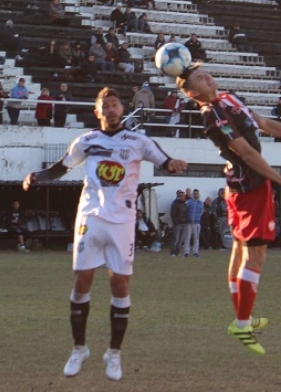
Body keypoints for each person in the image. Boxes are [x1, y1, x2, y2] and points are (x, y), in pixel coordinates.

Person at [22, 87, 187, 380]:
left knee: (120, 285)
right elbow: (62, 167)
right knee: (82, 280)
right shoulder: (86, 140)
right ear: (97, 112)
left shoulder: (138, 141)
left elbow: (165, 161)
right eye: (104, 106)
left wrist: (174, 164)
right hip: (90, 218)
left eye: (114, 104)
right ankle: (79, 349)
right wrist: (37, 176)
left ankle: (114, 353)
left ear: (122, 109)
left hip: (122, 222)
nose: (110, 110)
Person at [177, 65, 281, 354]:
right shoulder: (213, 115)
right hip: (249, 188)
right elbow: (246, 152)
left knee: (240, 252)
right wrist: (280, 179)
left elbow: (263, 123)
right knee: (255, 256)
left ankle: (242, 317)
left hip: (242, 186)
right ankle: (242, 323)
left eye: (203, 72)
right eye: (198, 78)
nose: (206, 76)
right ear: (194, 93)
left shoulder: (228, 98)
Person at [185, 189, 204, 257]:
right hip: (189, 222)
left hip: (197, 223)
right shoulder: (189, 202)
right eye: (195, 193)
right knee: (187, 237)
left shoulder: (201, 203)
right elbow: (185, 210)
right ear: (193, 194)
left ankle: (195, 251)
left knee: (196, 238)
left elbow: (201, 212)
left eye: (197, 193)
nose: (196, 194)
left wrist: (197, 217)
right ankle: (186, 252)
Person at [170, 190, 188, 256]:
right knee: (176, 240)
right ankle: (172, 252)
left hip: (184, 224)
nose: (183, 197)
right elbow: (173, 214)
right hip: (178, 224)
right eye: (181, 196)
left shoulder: (185, 204)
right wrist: (175, 222)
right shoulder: (175, 204)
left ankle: (177, 252)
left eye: (184, 196)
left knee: (181, 240)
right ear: (178, 196)